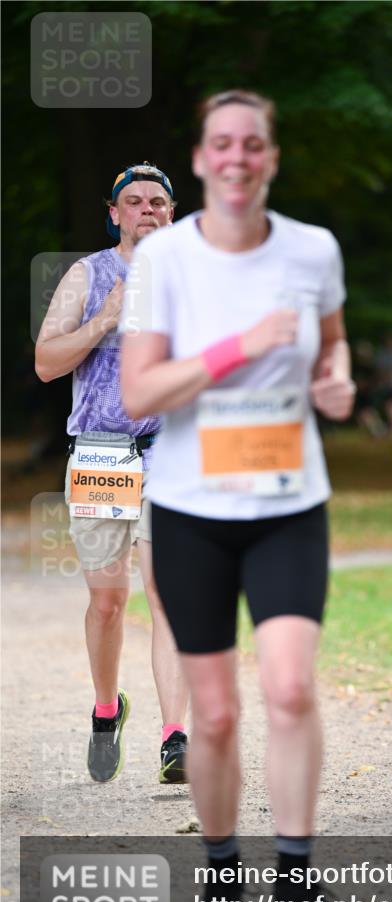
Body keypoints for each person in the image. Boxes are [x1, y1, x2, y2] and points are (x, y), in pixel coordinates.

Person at [120, 90, 355, 902]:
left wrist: (337, 382)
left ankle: (294, 877)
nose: (237, 157)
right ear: (199, 158)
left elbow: (331, 347)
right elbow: (138, 387)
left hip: (289, 501)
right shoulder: (162, 262)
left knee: (290, 688)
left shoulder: (313, 249)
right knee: (214, 712)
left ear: (271, 158)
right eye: (221, 143)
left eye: (252, 143)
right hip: (190, 507)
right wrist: (234, 349)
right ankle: (222, 872)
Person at [35, 163, 189, 785]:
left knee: (168, 598)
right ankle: (107, 709)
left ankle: (175, 738)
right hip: (101, 453)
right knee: (107, 602)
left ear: (172, 214)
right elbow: (47, 362)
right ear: (115, 213)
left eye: (158, 201)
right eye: (134, 201)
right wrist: (105, 317)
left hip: (172, 453)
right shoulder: (88, 274)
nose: (147, 209)